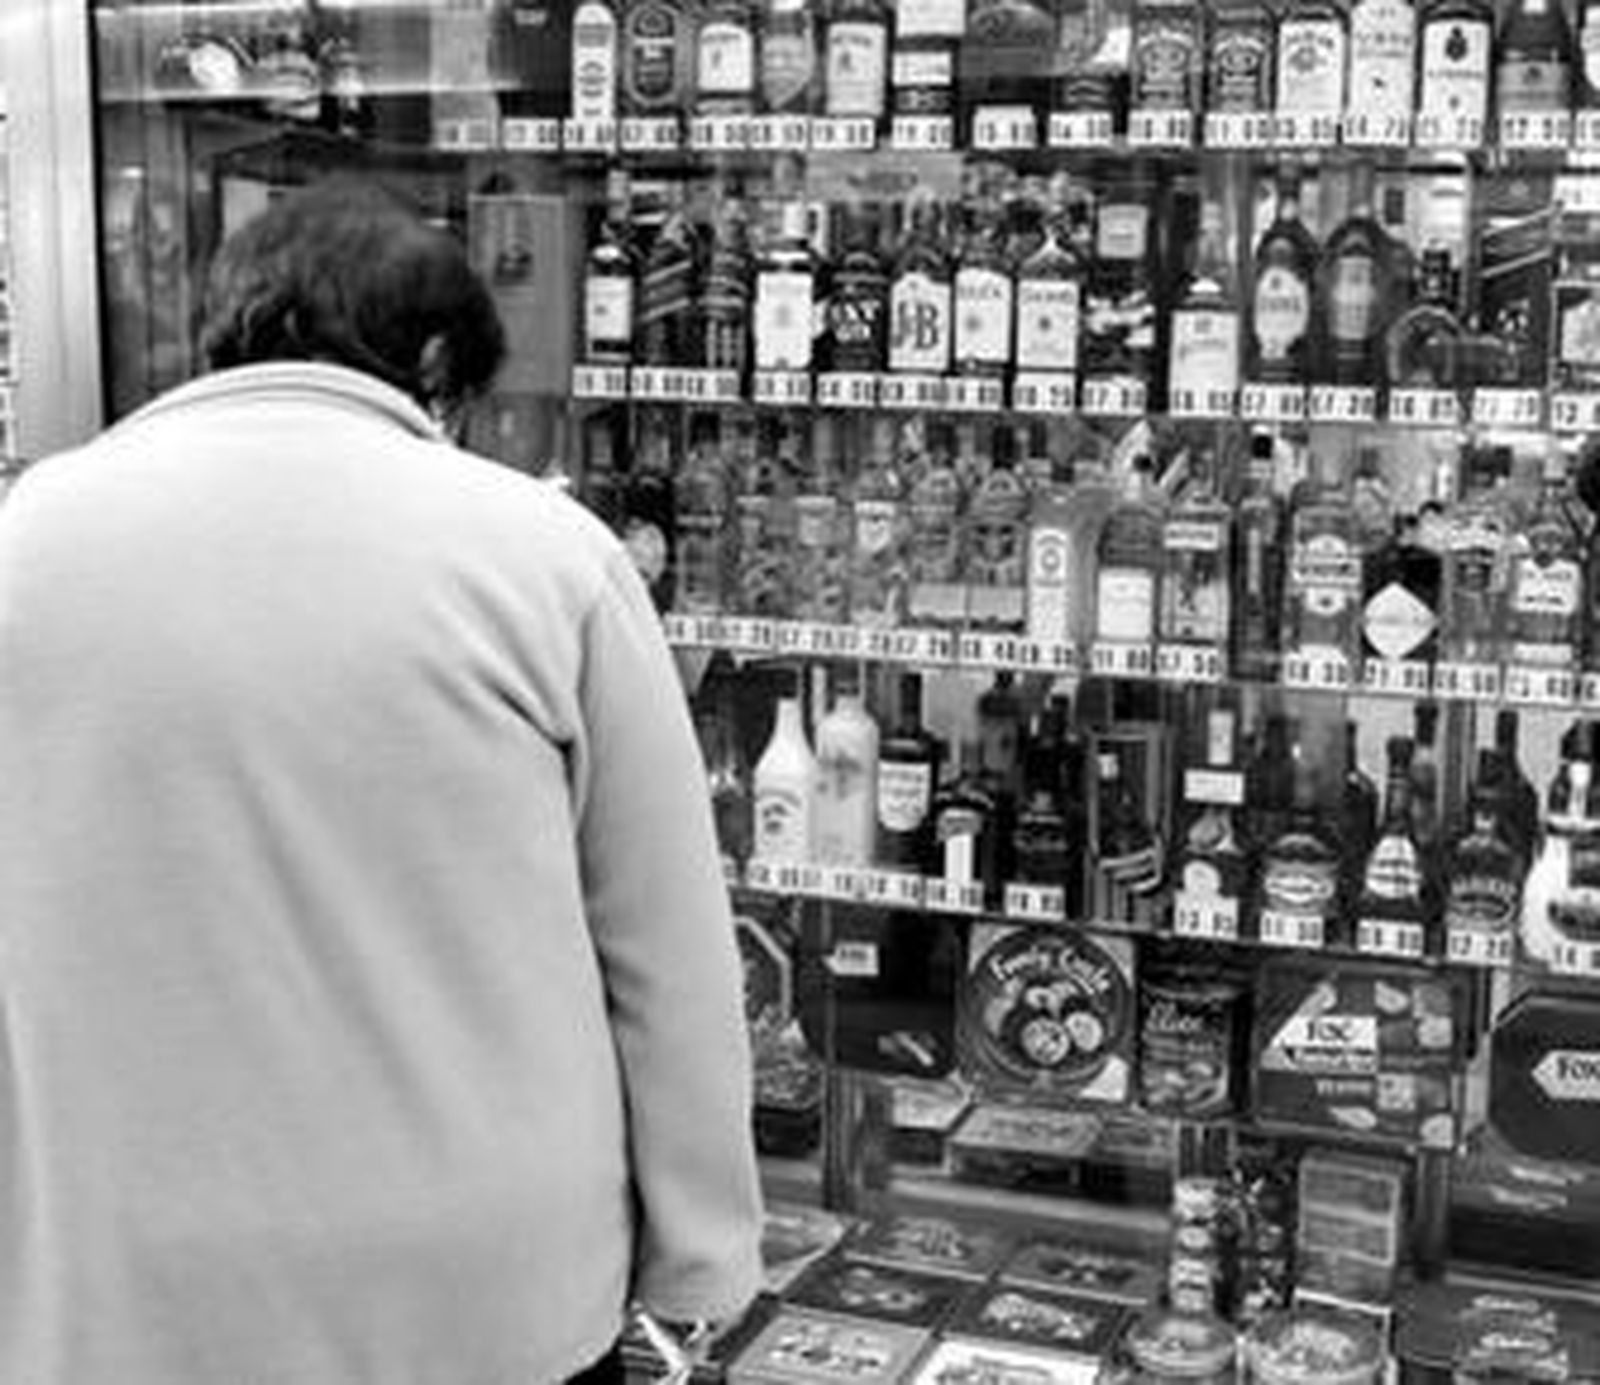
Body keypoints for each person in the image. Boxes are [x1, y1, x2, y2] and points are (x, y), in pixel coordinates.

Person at [0, 176, 763, 1383]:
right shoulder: (544, 555)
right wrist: (702, 1261)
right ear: (436, 362)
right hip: (481, 1292)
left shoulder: (24, 538)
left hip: (118, 1280)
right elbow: (664, 950)